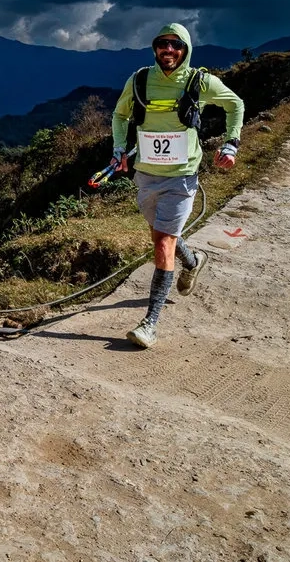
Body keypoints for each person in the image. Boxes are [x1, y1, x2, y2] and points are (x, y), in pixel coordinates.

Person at [110, 23, 244, 349]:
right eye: (162, 44)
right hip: (145, 175)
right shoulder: (140, 80)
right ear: (155, 48)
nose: (168, 50)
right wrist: (118, 149)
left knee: (163, 244)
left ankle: (149, 324)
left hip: (183, 176)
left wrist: (231, 144)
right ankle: (194, 261)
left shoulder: (200, 81)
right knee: (162, 236)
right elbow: (120, 114)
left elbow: (235, 104)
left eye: (176, 45)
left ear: (185, 49)